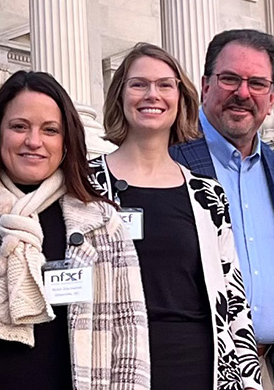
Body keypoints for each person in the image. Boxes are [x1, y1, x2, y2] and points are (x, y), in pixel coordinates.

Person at [0, 70, 149, 390]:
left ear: (66, 140)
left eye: (49, 130)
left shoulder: (103, 223)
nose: (34, 141)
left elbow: (129, 338)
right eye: (19, 126)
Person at [91, 43, 261, 390]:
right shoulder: (85, 186)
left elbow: (234, 302)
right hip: (112, 366)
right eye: (138, 84)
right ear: (120, 95)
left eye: (165, 85)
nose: (152, 94)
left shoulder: (207, 193)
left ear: (181, 98)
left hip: (198, 367)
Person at [168, 30, 274, 390]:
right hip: (193, 368)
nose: (243, 93)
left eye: (257, 83)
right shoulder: (168, 158)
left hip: (266, 368)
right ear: (205, 85)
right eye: (230, 79)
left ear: (272, 97)